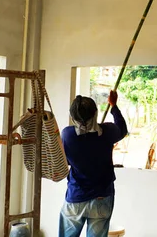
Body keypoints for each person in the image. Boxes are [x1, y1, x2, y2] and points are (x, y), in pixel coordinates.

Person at [59, 90, 128, 237]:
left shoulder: (67, 135)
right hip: (102, 197)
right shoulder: (108, 132)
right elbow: (122, 128)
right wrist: (113, 106)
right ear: (95, 113)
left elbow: (66, 160)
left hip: (76, 196)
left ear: (72, 117)